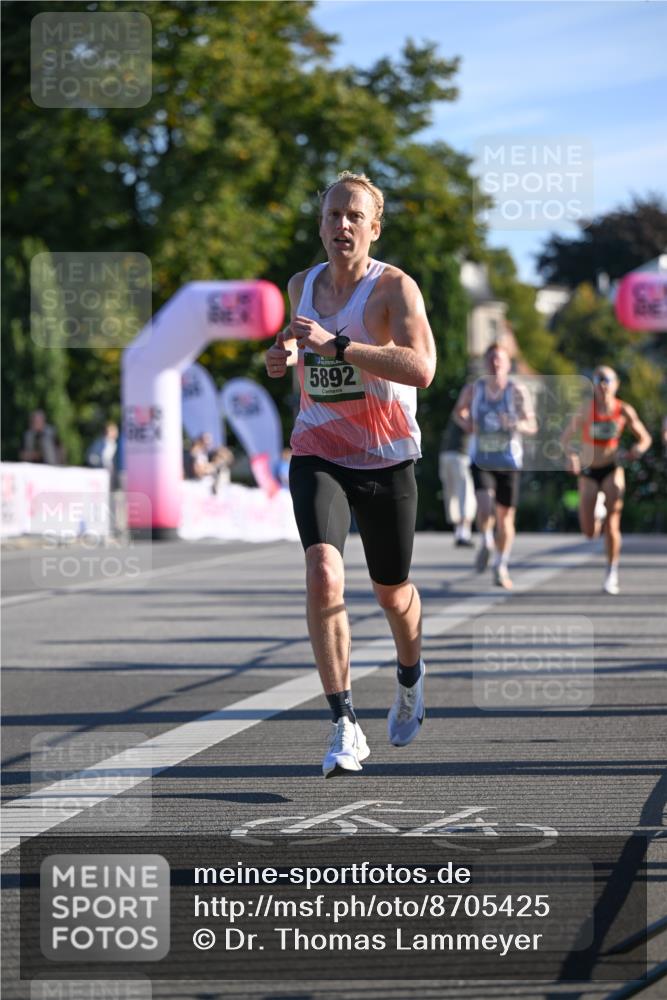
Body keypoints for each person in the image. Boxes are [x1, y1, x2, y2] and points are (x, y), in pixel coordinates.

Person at [265, 171, 436, 778]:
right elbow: (297, 344)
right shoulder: (301, 284)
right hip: (319, 449)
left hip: (387, 456)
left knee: (392, 592)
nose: (342, 225)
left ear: (374, 228)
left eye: (354, 217)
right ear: (320, 224)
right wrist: (284, 353)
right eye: (333, 215)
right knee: (322, 570)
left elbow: (421, 368)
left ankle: (411, 674)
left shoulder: (394, 289)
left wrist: (338, 346)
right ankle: (344, 722)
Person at [453, 341, 537, 590]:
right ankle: (487, 541)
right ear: (485, 363)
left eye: (499, 359)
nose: (495, 363)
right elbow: (459, 412)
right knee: (485, 507)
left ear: (508, 363)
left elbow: (532, 425)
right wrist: (468, 425)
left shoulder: (516, 390)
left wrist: (515, 424)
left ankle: (501, 564)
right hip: (482, 458)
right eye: (491, 359)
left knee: (506, 517)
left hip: (509, 460)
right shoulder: (474, 388)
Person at [561, 366, 651, 595]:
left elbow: (645, 438)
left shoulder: (623, 410)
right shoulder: (585, 410)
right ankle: (597, 512)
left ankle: (611, 573)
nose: (602, 385)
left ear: (616, 384)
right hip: (590, 470)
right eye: (598, 380)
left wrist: (637, 449)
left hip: (612, 468)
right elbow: (565, 438)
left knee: (613, 523)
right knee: (589, 532)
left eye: (607, 380)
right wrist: (571, 456)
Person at [438, 413, 476, 546]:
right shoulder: (470, 410)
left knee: (453, 494)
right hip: (459, 456)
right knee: (465, 494)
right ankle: (463, 533)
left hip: (447, 455)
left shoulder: (460, 411)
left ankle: (460, 532)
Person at [86, 421, 120, 489]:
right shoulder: (99, 443)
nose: (115, 433)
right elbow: (91, 457)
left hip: (114, 474)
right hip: (101, 473)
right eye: (113, 431)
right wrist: (100, 464)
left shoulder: (118, 444)